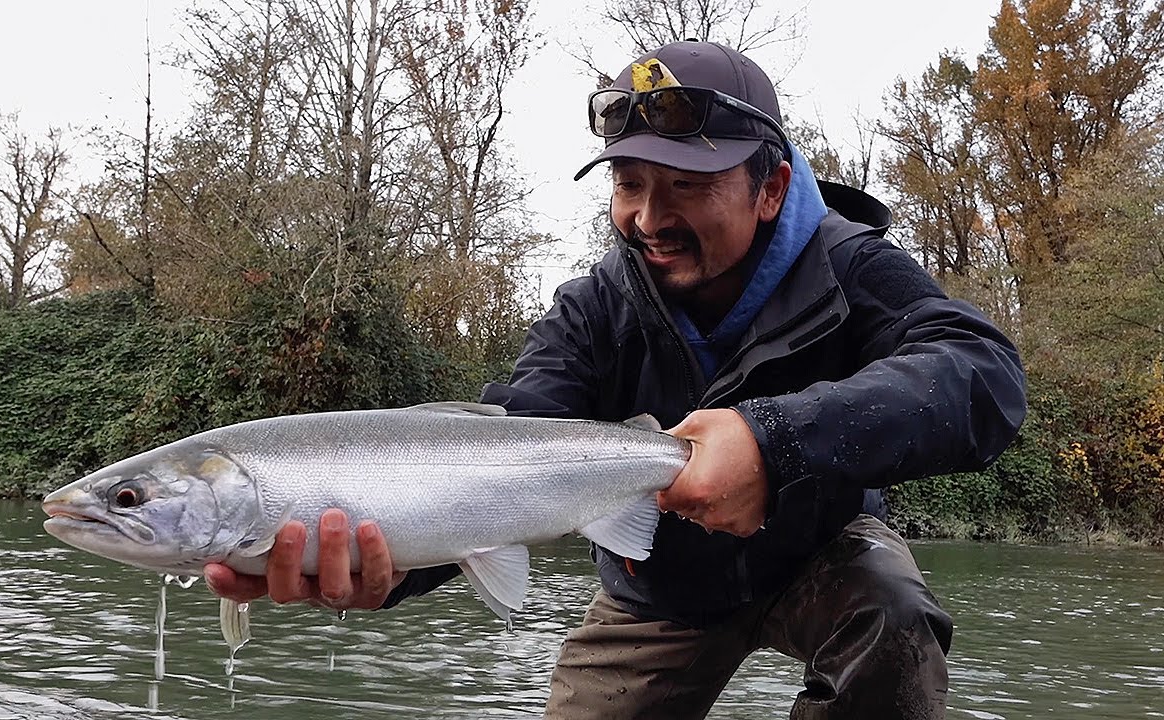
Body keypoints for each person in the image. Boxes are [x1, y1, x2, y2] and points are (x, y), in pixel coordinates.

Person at [205, 39, 1027, 719]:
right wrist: (381, 567)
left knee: (898, 618)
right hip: (654, 585)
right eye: (630, 186)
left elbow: (982, 377)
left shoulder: (854, 269)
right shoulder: (594, 307)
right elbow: (495, 456)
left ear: (770, 188)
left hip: (819, 549)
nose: (649, 218)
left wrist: (771, 443)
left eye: (688, 186)